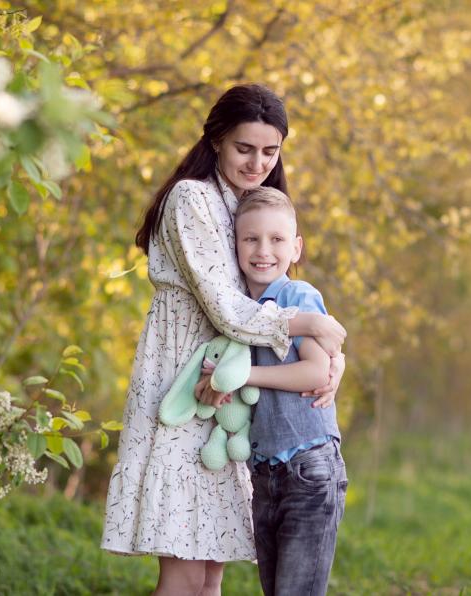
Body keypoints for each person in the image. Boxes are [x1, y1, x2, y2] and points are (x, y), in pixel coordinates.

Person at [100, 84, 346, 596]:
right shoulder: (192, 198)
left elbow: (278, 293)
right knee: (186, 568)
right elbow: (228, 308)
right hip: (182, 383)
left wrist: (329, 354)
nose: (257, 161)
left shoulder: (246, 205)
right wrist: (310, 325)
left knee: (210, 569)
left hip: (226, 394)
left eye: (269, 151)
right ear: (215, 140)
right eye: (244, 148)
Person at [234, 187, 346, 596]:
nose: (264, 250)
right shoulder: (239, 310)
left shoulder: (297, 296)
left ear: (296, 247)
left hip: (309, 468)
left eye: (277, 239)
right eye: (251, 239)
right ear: (236, 245)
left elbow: (316, 372)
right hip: (265, 475)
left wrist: (244, 376)